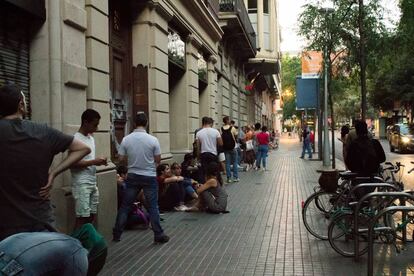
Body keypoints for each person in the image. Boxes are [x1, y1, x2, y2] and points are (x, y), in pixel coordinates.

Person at [0, 84, 92, 273]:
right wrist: (54, 172)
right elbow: (83, 148)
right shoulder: (41, 131)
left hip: (5, 230)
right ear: (21, 105)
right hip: (40, 224)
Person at [112, 112, 169, 243]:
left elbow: (120, 158)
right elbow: (158, 159)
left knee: (125, 206)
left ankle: (117, 234)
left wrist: (130, 162)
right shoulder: (153, 140)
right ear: (146, 123)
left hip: (133, 175)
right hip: (149, 176)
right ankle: (158, 234)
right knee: (153, 206)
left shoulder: (126, 139)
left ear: (134, 123)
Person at [71, 109, 107, 230]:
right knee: (82, 217)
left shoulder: (91, 138)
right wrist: (94, 162)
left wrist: (99, 161)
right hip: (81, 183)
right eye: (95, 124)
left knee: (91, 215)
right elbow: (72, 163)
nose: (96, 128)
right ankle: (75, 245)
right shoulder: (76, 139)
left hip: (92, 181)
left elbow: (88, 160)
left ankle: (87, 243)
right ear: (85, 122)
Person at [345, 120, 386, 199]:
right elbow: (382, 158)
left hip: (357, 178)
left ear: (356, 131)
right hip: (373, 178)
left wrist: (355, 169)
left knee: (359, 199)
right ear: (366, 129)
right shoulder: (375, 143)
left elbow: (348, 161)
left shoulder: (354, 145)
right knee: (368, 198)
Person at [196, 117, 223, 183]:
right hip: (213, 154)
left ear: (203, 123)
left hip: (204, 154)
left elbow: (198, 147)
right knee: (214, 171)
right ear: (210, 123)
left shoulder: (199, 133)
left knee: (205, 172)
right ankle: (216, 184)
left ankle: (206, 185)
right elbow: (221, 143)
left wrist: (198, 157)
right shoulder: (216, 131)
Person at [221, 116, 239, 183]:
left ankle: (229, 178)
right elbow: (236, 136)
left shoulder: (221, 128)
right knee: (234, 162)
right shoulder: (232, 128)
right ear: (228, 121)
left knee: (227, 163)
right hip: (232, 147)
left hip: (225, 148)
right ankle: (235, 177)